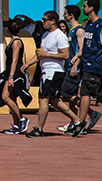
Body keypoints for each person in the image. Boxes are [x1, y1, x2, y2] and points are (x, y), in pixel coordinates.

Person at [22, 10, 83, 138]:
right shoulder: (45, 35)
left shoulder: (59, 35)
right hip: (46, 71)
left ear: (52, 21)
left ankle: (39, 128)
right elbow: (40, 54)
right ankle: (77, 121)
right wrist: (28, 64)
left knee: (43, 99)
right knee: (54, 101)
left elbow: (65, 55)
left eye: (45, 20)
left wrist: (47, 55)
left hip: (54, 72)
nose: (42, 22)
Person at [71, 0, 102, 136]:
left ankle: (80, 123)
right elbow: (85, 47)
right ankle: (81, 122)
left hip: (94, 65)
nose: (83, 8)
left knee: (85, 93)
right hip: (87, 64)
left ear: (91, 8)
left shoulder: (101, 25)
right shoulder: (89, 25)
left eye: (85, 6)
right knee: (101, 95)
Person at [0, 18, 32, 134]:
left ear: (8, 29)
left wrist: (10, 77)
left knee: (5, 96)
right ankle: (16, 125)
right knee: (11, 98)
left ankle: (22, 118)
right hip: (10, 71)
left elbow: (15, 60)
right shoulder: (12, 41)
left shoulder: (16, 42)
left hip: (14, 72)